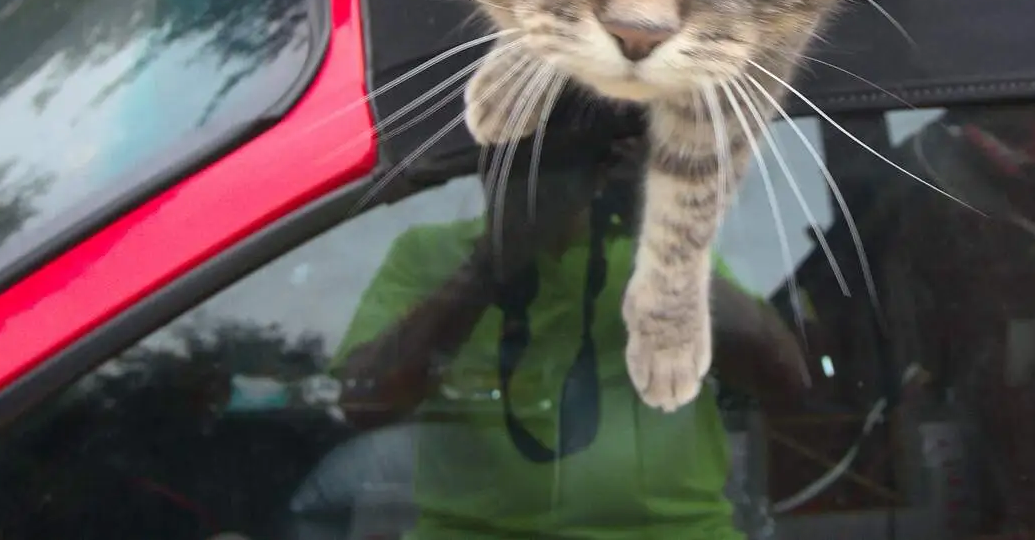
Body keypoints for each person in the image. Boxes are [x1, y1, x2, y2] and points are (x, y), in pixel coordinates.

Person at [333, 135, 807, 539]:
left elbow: (784, 379)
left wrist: (661, 229)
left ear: (602, 173)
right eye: (525, 159)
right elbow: (365, 402)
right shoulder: (430, 255)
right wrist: (489, 264)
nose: (545, 181)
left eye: (564, 160)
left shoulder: (654, 263)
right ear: (486, 166)